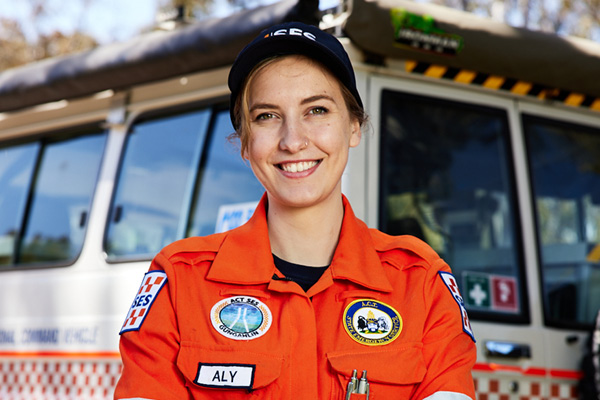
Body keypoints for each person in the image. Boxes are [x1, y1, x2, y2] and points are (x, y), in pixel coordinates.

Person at [114, 21, 477, 400]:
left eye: (317, 110)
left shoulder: (421, 284)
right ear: (244, 143)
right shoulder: (180, 282)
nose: (292, 140)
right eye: (266, 116)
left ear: (353, 126)